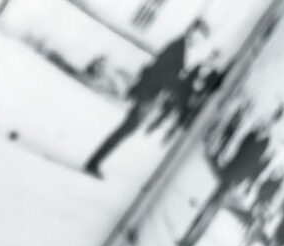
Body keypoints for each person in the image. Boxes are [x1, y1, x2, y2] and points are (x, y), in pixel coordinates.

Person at [83, 18, 209, 179]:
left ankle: (95, 162)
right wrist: (183, 82)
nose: (197, 41)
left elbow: (164, 72)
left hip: (151, 95)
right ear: (191, 31)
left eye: (200, 39)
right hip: (149, 95)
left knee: (125, 130)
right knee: (125, 130)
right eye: (198, 36)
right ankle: (93, 163)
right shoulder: (178, 47)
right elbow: (163, 74)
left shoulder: (180, 46)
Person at [177, 107, 283, 246]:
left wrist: (248, 181)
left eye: (268, 124)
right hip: (229, 172)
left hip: (235, 180)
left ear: (270, 128)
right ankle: (187, 240)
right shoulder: (252, 135)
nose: (264, 125)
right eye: (264, 122)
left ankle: (187, 243)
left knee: (210, 209)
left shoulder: (264, 144)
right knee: (209, 207)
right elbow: (237, 148)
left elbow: (256, 168)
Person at [230, 167, 284, 246]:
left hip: (264, 212)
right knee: (249, 232)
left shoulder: (279, 187)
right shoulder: (269, 181)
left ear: (281, 176)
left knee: (252, 234)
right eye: (277, 172)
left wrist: (269, 211)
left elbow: (276, 202)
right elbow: (260, 189)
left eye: (279, 173)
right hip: (259, 207)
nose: (276, 174)